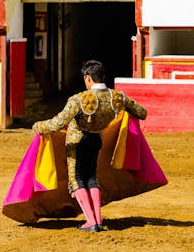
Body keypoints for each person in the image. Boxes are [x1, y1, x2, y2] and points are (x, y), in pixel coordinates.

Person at [32, 60, 147, 232]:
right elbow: (142, 113)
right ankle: (97, 219)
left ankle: (91, 222)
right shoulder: (117, 97)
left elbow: (56, 123)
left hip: (77, 143)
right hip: (95, 141)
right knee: (91, 178)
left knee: (77, 180)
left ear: (88, 78)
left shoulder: (79, 100)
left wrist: (37, 126)